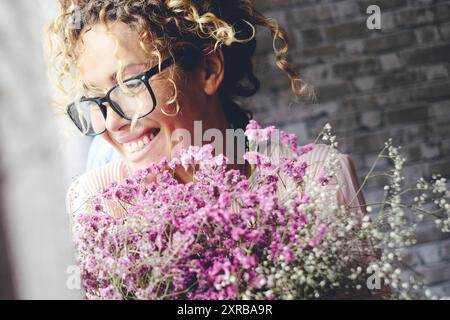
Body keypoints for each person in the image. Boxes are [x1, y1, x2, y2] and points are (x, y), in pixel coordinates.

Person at [45, 0, 366, 229]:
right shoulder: (96, 208)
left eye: (130, 85)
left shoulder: (321, 180)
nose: (112, 122)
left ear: (208, 69)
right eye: (95, 99)